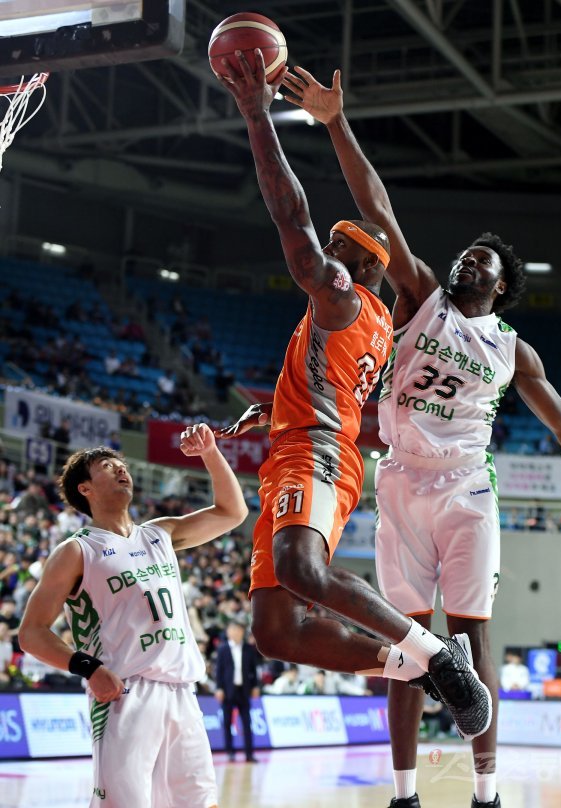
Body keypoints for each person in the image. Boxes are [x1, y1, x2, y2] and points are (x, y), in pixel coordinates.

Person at [281, 65, 561, 808]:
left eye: (479, 262)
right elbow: (379, 208)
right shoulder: (422, 295)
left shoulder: (514, 350)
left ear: (500, 284)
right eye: (463, 256)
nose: (465, 262)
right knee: (405, 643)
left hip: (465, 490)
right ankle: (404, 794)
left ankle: (486, 793)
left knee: (472, 636)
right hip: (400, 481)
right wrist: (334, 121)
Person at [212, 50, 492, 744]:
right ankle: (412, 665)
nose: (327, 247)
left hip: (317, 453)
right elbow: (333, 384)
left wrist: (257, 115)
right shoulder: (366, 322)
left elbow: (291, 215)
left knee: (303, 569)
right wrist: (276, 408)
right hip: (300, 444)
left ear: (364, 265)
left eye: (340, 244)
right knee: (276, 632)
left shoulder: (340, 295)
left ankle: (436, 655)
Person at [18, 423, 248, 808]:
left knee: (201, 803)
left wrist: (210, 453)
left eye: (121, 464)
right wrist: (89, 668)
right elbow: (31, 633)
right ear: (85, 489)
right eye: (107, 467)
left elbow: (232, 512)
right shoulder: (77, 551)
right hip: (124, 693)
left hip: (181, 690)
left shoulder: (159, 533)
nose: (121, 469)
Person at [215, 620, 259, 762]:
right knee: (227, 723)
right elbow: (219, 671)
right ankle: (230, 752)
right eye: (233, 629)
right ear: (228, 632)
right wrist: (219, 688)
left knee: (247, 723)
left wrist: (255, 686)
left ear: (242, 632)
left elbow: (253, 670)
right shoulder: (222, 649)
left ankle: (249, 754)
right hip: (228, 691)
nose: (235, 632)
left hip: (244, 690)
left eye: (238, 630)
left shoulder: (249, 649)